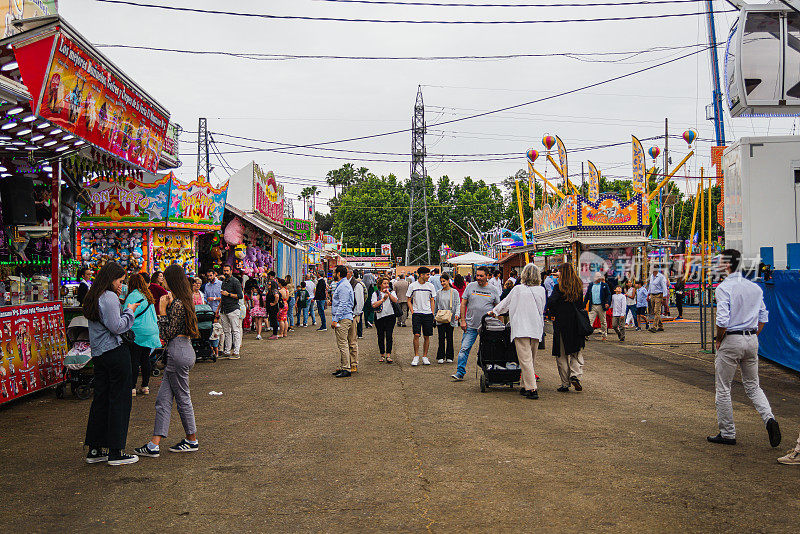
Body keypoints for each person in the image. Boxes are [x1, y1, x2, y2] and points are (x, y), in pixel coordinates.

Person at [707, 249, 781, 448]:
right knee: (753, 386)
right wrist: (752, 336)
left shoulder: (723, 287)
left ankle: (728, 432)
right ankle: (769, 419)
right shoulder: (755, 288)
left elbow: (722, 320)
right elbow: (763, 316)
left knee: (723, 388)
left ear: (727, 264)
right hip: (751, 339)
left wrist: (719, 339)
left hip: (731, 339)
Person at [134, 264, 201, 458]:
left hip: (178, 350)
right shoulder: (183, 300)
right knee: (163, 400)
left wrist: (162, 310)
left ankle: (191, 439)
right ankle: (154, 444)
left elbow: (167, 332)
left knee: (182, 398)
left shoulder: (178, 303)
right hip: (182, 350)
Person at [83, 261, 140, 466]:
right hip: (115, 352)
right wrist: (130, 311)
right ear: (110, 278)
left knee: (101, 399)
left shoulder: (93, 295)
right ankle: (116, 451)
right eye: (119, 281)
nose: (121, 285)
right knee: (120, 400)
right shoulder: (108, 297)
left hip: (99, 354)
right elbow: (117, 327)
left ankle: (95, 449)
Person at [489, 263, 545, 399]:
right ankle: (525, 385)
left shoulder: (518, 289)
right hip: (536, 327)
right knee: (531, 358)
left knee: (525, 360)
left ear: (523, 275)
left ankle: (532, 389)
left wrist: (494, 312)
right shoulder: (541, 290)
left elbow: (505, 303)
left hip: (521, 327)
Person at [451, 266, 500, 381]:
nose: (478, 278)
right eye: (477, 275)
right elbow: (463, 304)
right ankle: (460, 372)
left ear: (487, 276)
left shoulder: (493, 289)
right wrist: (463, 321)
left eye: (481, 276)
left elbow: (498, 307)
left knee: (489, 350)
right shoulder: (470, 286)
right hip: (471, 325)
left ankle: (490, 373)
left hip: (487, 327)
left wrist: (498, 322)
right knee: (464, 348)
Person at [548, 262, 587, 392]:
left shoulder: (558, 287)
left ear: (562, 272)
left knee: (561, 355)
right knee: (576, 352)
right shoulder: (578, 285)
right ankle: (575, 375)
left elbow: (552, 302)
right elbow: (581, 304)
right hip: (576, 323)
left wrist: (552, 313)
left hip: (561, 323)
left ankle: (565, 383)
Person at [124, 274, 160, 397]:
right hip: (150, 331)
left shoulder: (132, 296)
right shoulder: (147, 295)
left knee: (134, 360)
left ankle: (132, 387)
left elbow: (126, 313)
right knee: (145, 359)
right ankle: (145, 386)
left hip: (137, 332)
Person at [407, 266, 437, 366]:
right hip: (417, 313)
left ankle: (425, 356)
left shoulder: (430, 286)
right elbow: (408, 300)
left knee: (426, 336)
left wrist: (432, 313)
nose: (429, 276)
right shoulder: (413, 286)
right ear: (421, 275)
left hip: (428, 314)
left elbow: (432, 300)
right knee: (416, 334)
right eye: (427, 274)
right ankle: (416, 356)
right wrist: (412, 311)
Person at [331, 265, 357, 377]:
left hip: (343, 318)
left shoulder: (343, 286)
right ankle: (344, 367)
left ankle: (346, 368)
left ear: (338, 274)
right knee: (344, 343)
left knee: (343, 344)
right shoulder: (343, 285)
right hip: (346, 317)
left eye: (334, 272)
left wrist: (335, 320)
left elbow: (343, 304)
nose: (332, 274)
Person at [434, 273, 460, 364]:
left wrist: (457, 314)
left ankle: (449, 356)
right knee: (441, 337)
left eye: (444, 281)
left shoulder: (454, 292)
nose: (442, 283)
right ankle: (440, 356)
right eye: (441, 282)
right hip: (441, 317)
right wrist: (434, 316)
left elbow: (457, 304)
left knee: (450, 337)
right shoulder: (439, 292)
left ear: (448, 281)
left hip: (450, 317)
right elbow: (436, 305)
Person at [371, 276, 398, 363]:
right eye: (384, 283)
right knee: (380, 335)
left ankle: (388, 355)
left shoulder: (392, 292)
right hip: (379, 316)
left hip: (390, 316)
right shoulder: (376, 294)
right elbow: (374, 305)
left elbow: (395, 300)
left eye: (387, 283)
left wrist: (389, 294)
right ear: (380, 285)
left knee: (389, 335)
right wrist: (383, 299)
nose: (386, 285)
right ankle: (382, 354)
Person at [219, 264, 243, 359]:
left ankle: (236, 352)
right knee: (226, 331)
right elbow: (222, 296)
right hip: (224, 309)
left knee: (235, 330)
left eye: (227, 270)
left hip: (233, 308)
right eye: (224, 270)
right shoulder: (224, 281)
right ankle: (227, 351)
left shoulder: (235, 281)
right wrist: (219, 309)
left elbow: (240, 296)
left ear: (231, 271)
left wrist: (228, 294)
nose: (225, 272)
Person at [583, 272, 611, 340]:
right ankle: (587, 335)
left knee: (603, 322)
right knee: (590, 321)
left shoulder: (604, 285)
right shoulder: (591, 285)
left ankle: (604, 335)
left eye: (600, 276)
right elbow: (587, 296)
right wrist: (584, 304)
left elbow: (608, 295)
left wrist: (607, 303)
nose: (599, 278)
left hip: (601, 306)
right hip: (593, 306)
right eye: (597, 276)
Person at [647, 267, 669, 332]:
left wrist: (664, 296)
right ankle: (661, 326)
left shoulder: (661, 277)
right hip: (652, 295)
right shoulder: (651, 276)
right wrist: (648, 294)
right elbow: (650, 286)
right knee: (655, 311)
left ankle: (654, 326)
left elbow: (664, 287)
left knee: (657, 310)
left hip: (658, 295)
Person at [351, 270, 366, 339]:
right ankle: (360, 334)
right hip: (360, 305)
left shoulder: (356, 284)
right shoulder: (361, 283)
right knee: (359, 321)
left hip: (356, 307)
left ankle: (357, 334)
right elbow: (366, 294)